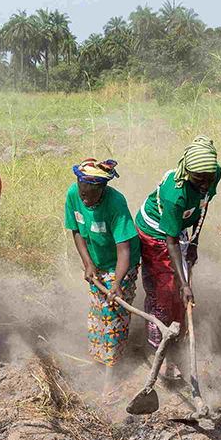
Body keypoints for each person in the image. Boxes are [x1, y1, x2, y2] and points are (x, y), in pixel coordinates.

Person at [135, 136, 221, 379]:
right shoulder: (176, 193)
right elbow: (170, 241)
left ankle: (176, 338)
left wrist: (194, 241)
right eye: (199, 179)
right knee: (164, 290)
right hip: (155, 233)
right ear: (188, 173)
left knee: (179, 295)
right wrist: (184, 284)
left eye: (209, 178)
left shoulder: (213, 173)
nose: (205, 183)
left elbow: (203, 206)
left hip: (178, 229)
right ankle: (156, 352)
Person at [64, 159, 141, 385]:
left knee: (113, 314)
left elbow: (124, 251)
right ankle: (99, 359)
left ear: (102, 189)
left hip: (120, 264)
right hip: (96, 260)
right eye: (81, 191)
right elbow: (76, 231)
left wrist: (117, 283)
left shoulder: (116, 204)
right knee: (98, 312)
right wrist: (88, 263)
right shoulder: (73, 194)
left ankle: (111, 373)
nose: (84, 197)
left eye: (89, 193)